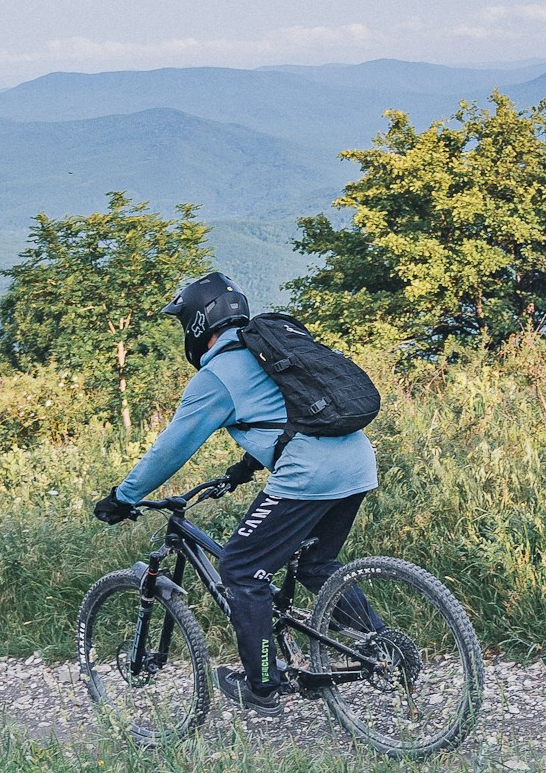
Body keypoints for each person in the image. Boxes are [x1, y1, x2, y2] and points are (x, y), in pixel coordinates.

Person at [92, 271, 379, 715]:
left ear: (196, 324)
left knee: (242, 569)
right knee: (317, 564)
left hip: (310, 475)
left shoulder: (218, 375)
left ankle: (262, 684)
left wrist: (125, 496)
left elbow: (172, 448)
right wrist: (245, 467)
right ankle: (381, 649)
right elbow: (290, 414)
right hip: (357, 463)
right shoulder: (266, 350)